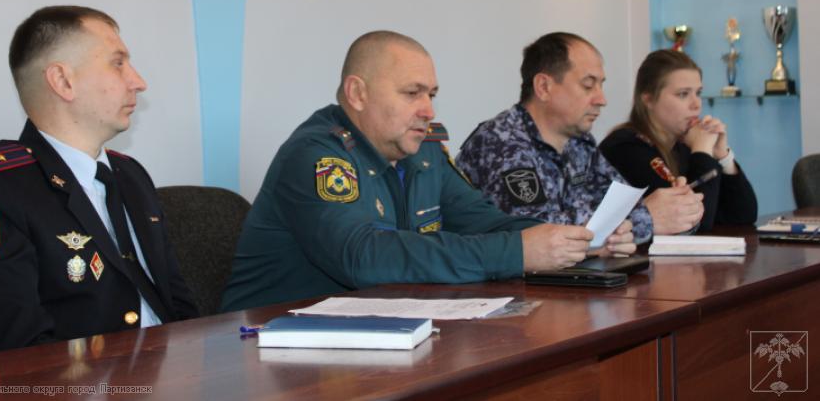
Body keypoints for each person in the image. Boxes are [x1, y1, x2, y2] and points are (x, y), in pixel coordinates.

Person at [221, 31, 634, 312]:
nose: (428, 110)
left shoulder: (423, 151)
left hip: (372, 335)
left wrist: (573, 242)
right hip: (266, 346)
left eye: (432, 94)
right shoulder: (317, 156)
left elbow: (484, 222)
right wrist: (517, 252)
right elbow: (363, 257)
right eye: (412, 93)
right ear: (357, 93)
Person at [0, 6, 198, 355]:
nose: (138, 81)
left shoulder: (129, 174)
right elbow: (17, 351)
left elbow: (181, 310)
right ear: (62, 81)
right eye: (118, 63)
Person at [455, 32, 704, 243]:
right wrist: (645, 219)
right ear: (544, 87)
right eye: (588, 85)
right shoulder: (502, 142)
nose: (601, 99)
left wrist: (679, 211)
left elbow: (623, 206)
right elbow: (539, 233)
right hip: (506, 284)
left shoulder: (579, 144)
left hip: (575, 278)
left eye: (601, 85)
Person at [599, 49, 757, 231]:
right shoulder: (626, 148)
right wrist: (702, 151)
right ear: (648, 100)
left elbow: (743, 215)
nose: (696, 104)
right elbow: (694, 224)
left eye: (698, 93)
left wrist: (723, 157)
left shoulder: (683, 146)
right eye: (683, 94)